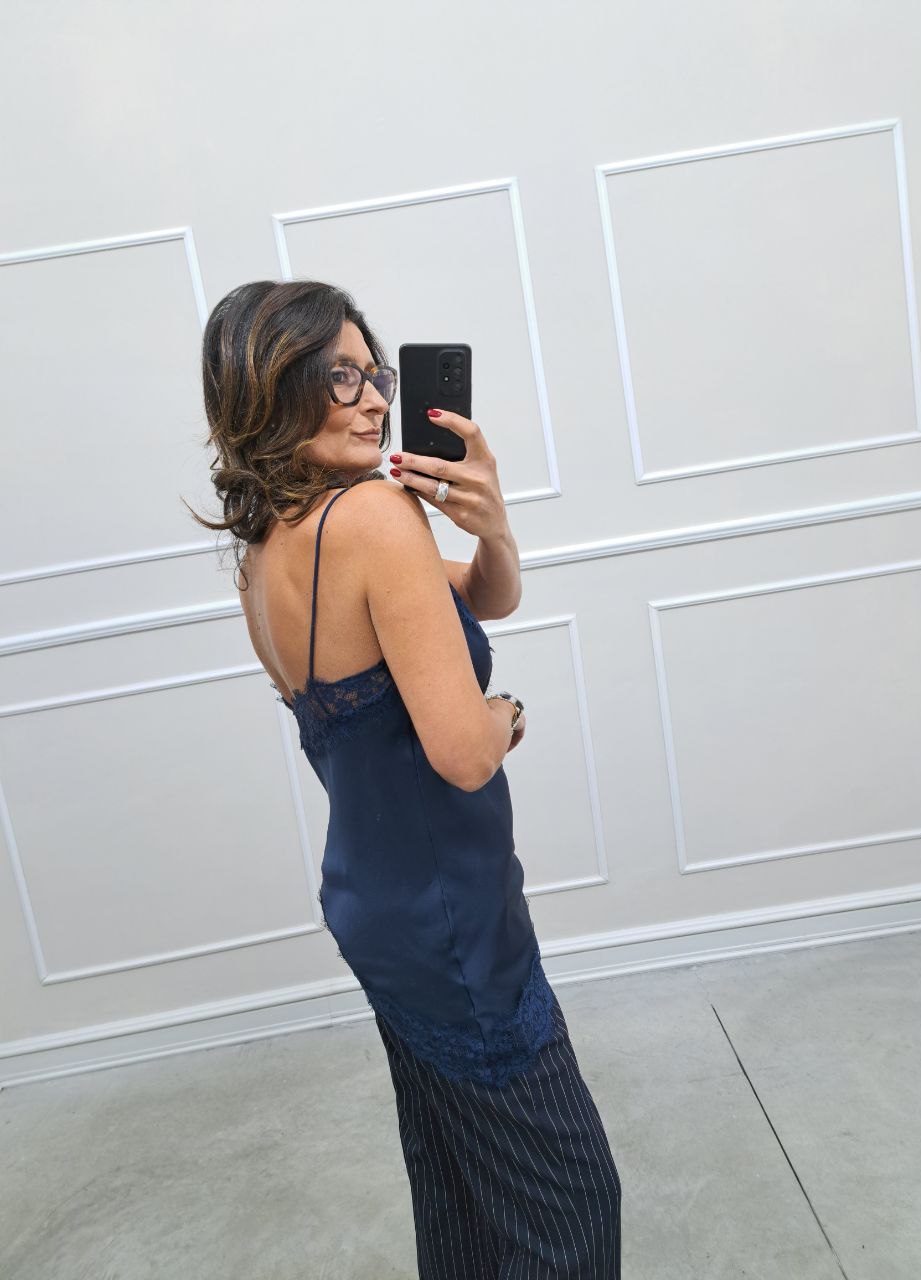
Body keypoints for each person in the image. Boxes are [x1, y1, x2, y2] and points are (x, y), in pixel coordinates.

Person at [189, 279, 622, 1277]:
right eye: (340, 376)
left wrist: (491, 523)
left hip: (375, 908)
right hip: (451, 924)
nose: (376, 398)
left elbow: (484, 598)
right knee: (574, 1204)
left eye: (373, 372)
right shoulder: (376, 520)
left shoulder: (267, 551)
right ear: (271, 387)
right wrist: (510, 713)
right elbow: (463, 753)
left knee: (462, 1192)